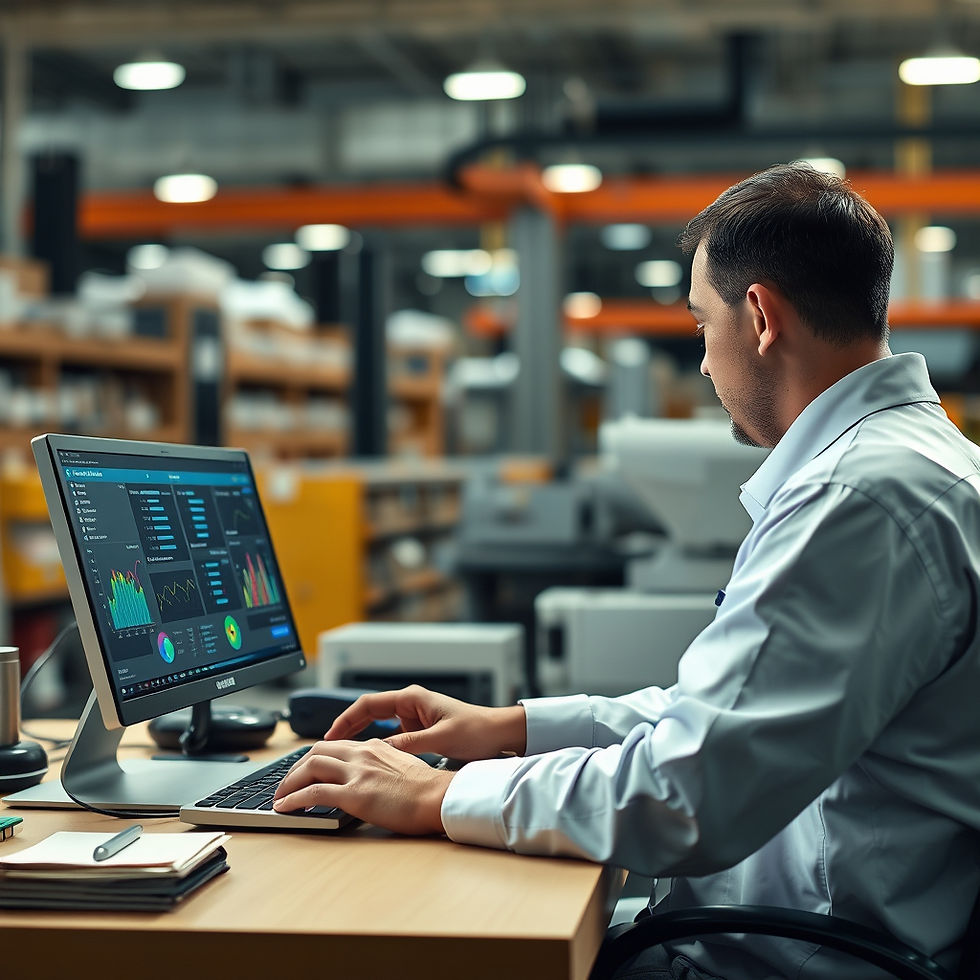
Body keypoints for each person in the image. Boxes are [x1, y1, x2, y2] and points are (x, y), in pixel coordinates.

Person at [273, 163, 980, 979]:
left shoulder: (858, 498)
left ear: (758, 317)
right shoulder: (906, 467)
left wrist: (435, 797)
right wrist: (515, 728)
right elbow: (720, 716)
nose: (706, 365)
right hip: (795, 930)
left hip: (782, 959)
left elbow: (687, 793)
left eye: (701, 324)